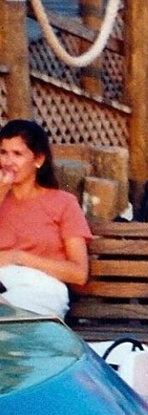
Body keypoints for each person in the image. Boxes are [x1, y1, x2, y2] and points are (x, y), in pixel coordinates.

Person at [0, 119, 91, 318]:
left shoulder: (63, 203)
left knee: (13, 315)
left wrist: (19, 257)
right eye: (3, 152)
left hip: (41, 287)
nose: (7, 162)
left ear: (38, 160)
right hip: (2, 283)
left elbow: (79, 273)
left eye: (17, 154)